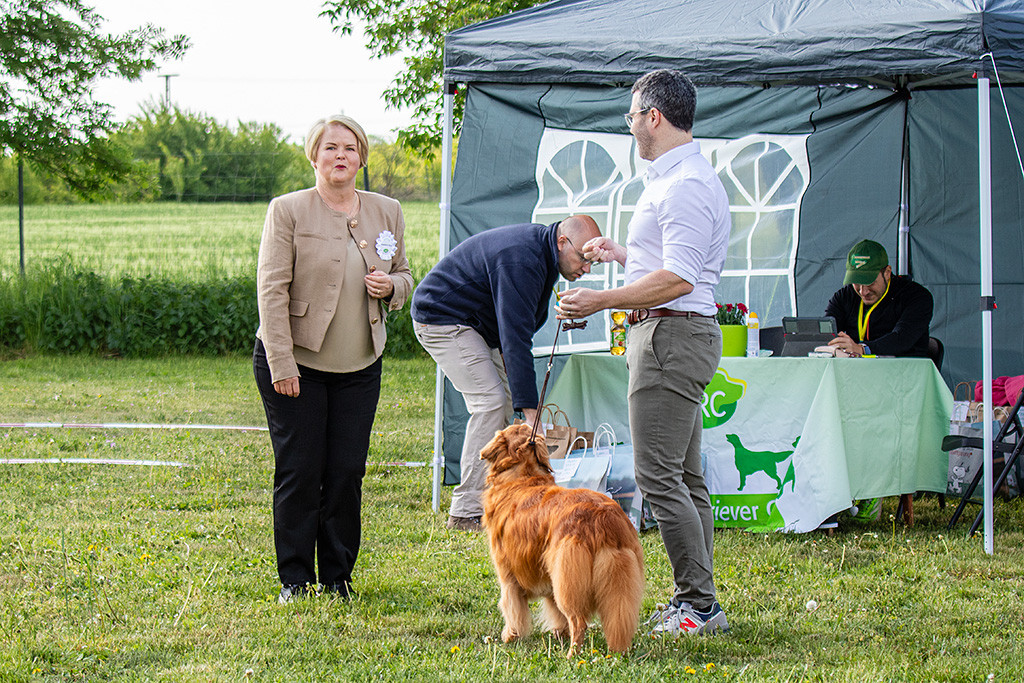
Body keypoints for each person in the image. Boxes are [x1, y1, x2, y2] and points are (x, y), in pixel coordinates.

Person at [556, 69, 731, 636]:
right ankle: (701, 601)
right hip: (674, 332)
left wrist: (600, 299)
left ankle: (696, 606)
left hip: (669, 336)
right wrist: (623, 255)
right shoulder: (677, 179)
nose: (630, 125)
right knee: (684, 475)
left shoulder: (685, 185)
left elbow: (680, 278)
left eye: (632, 116)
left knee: (657, 478)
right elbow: (675, 263)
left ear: (653, 116)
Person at [253, 114, 414, 604]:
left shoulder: (387, 210)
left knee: (346, 472)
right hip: (295, 365)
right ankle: (295, 581)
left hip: (360, 365)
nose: (340, 156)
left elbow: (405, 273)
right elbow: (271, 289)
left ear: (362, 157)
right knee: (301, 470)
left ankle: (338, 578)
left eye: (349, 148)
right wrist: (282, 363)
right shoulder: (288, 210)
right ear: (314, 157)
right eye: (330, 148)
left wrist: (393, 288)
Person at [411, 214, 602, 532]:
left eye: (591, 262)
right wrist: (531, 414)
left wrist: (526, 405)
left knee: (508, 398)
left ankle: (502, 497)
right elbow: (515, 338)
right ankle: (466, 511)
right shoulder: (522, 258)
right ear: (562, 242)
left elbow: (518, 327)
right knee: (491, 402)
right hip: (441, 316)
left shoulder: (542, 253)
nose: (586, 268)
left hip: (480, 325)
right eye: (583, 258)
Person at [825, 239, 933, 358]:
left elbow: (902, 339)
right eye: (856, 282)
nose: (863, 291)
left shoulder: (916, 296)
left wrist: (862, 349)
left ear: (887, 273)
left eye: (870, 282)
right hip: (855, 372)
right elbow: (825, 331)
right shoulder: (844, 296)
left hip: (903, 372)